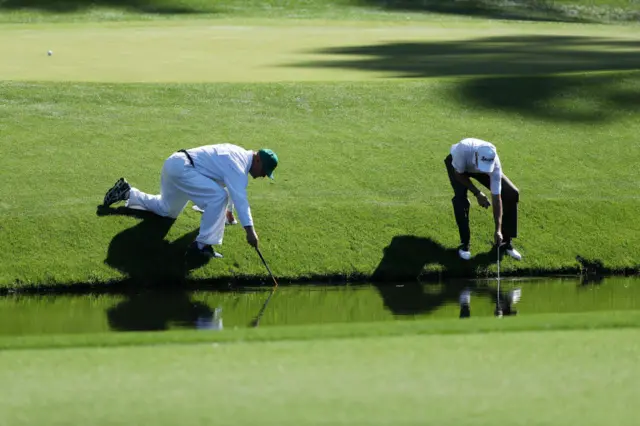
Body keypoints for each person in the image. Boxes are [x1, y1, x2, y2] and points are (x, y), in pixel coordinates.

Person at [102, 143, 278, 260]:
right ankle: (200, 247)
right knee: (218, 197)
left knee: (167, 210)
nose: (264, 175)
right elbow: (240, 197)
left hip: (176, 165)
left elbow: (231, 186)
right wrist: (250, 231)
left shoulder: (239, 157)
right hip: (184, 169)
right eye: (265, 170)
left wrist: (228, 212)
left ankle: (128, 192)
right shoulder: (238, 166)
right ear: (257, 159)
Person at [444, 137, 522, 261]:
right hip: (459, 167)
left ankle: (504, 242)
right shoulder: (462, 150)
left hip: (476, 165)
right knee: (460, 199)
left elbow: (497, 198)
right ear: (476, 156)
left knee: (511, 193)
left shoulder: (494, 164)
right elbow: (459, 175)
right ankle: (465, 244)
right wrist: (477, 193)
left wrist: (498, 229)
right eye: (482, 167)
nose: (484, 171)